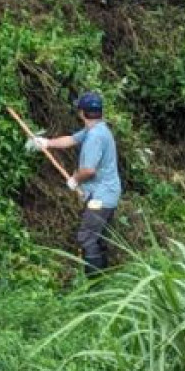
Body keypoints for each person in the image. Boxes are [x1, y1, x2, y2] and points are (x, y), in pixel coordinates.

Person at [27, 92, 122, 275]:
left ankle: (94, 285)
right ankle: (102, 281)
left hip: (100, 198)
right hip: (107, 194)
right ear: (99, 112)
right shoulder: (97, 129)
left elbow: (89, 170)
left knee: (87, 238)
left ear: (81, 113)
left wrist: (75, 179)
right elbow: (71, 140)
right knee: (98, 237)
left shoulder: (94, 136)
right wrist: (46, 143)